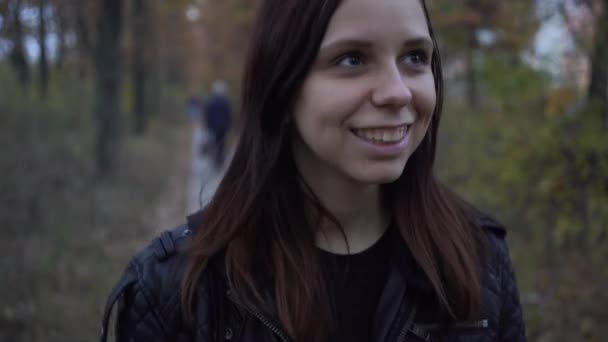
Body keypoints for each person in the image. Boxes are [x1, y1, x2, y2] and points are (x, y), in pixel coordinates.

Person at [101, 0, 526, 341]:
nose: (398, 92)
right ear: (282, 88)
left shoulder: (479, 259)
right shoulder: (176, 292)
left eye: (415, 56)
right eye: (352, 59)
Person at [202, 80, 232, 168]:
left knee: (213, 142)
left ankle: (213, 160)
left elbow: (207, 114)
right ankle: (219, 161)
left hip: (213, 127)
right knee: (221, 144)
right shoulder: (226, 102)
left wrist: (207, 125)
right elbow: (229, 115)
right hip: (223, 127)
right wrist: (229, 125)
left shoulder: (210, 101)